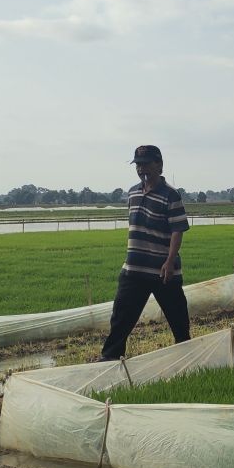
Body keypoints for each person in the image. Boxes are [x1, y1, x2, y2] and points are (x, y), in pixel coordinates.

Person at [99, 145, 191, 361]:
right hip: (133, 270)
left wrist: (169, 261)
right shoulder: (132, 192)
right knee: (120, 319)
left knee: (178, 320)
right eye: (138, 165)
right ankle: (108, 361)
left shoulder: (171, 195)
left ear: (159, 165)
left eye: (146, 164)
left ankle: (187, 357)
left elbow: (178, 230)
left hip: (163, 272)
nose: (142, 169)